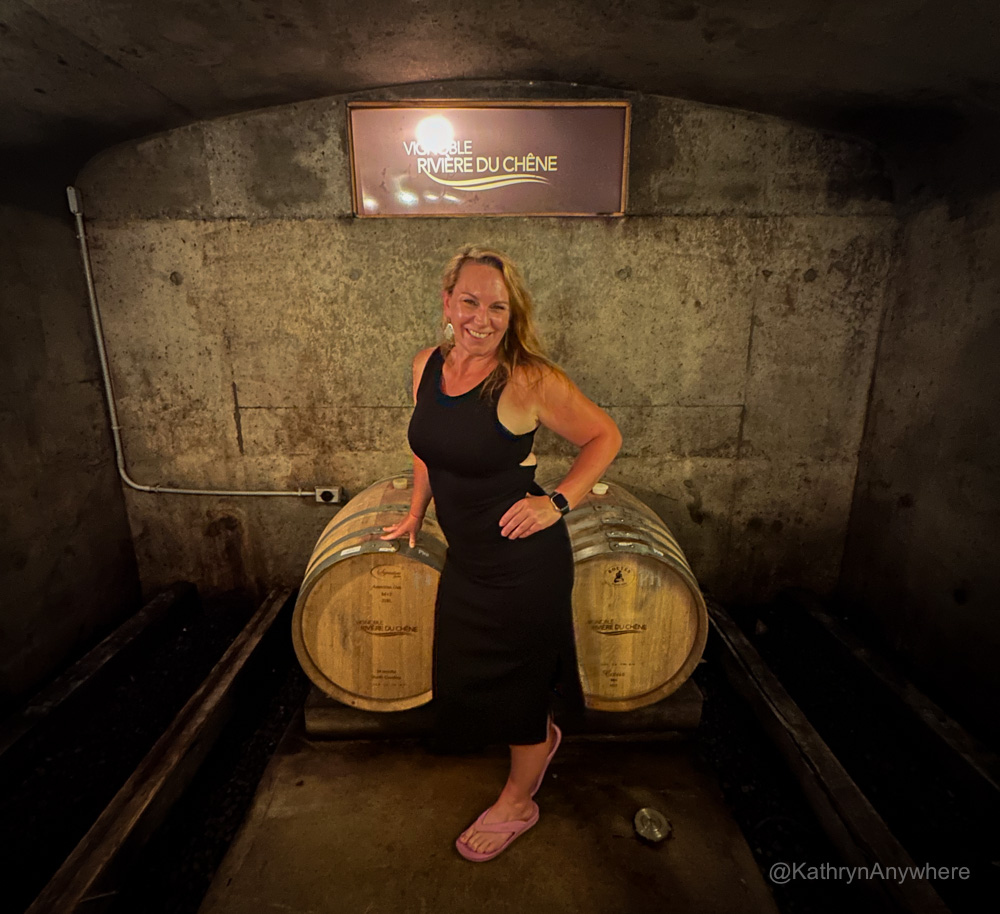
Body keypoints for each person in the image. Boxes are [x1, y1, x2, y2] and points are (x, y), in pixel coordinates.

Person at [381, 244, 621, 862]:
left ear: (512, 315)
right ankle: (541, 736)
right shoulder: (425, 366)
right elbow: (427, 447)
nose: (481, 318)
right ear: (447, 301)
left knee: (517, 689)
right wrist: (415, 511)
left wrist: (558, 503)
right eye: (470, 302)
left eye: (497, 307)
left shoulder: (529, 379)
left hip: (524, 566)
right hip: (470, 561)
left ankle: (520, 800)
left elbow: (604, 435)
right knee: (471, 675)